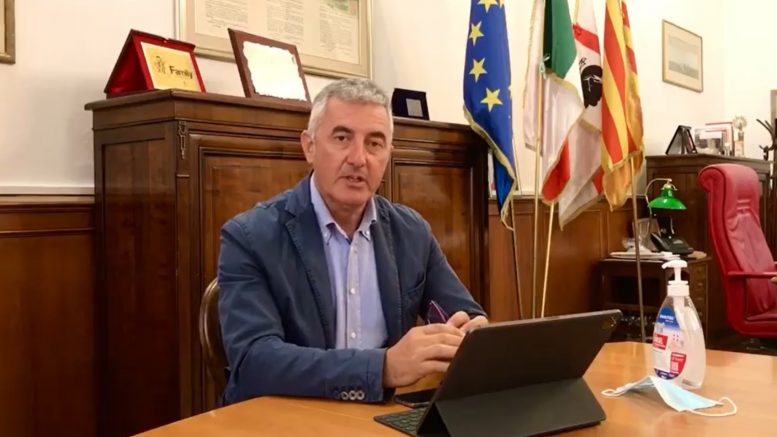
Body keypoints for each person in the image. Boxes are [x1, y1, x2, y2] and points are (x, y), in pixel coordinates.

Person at [218, 78, 488, 405]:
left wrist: (471, 334)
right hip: (286, 417)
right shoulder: (250, 236)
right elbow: (254, 362)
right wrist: (381, 368)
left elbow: (462, 314)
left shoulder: (411, 232)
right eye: (342, 138)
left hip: (377, 416)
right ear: (309, 147)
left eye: (374, 143)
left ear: (389, 155)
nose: (359, 158)